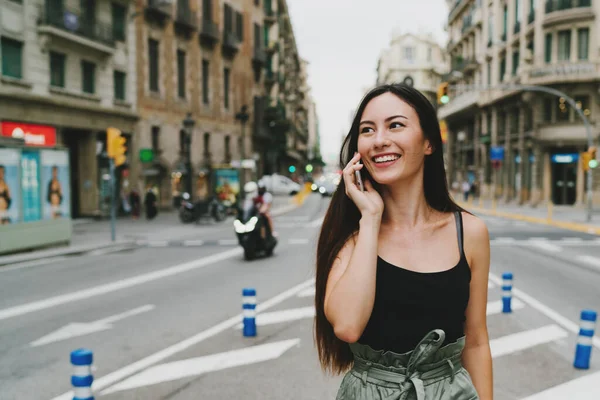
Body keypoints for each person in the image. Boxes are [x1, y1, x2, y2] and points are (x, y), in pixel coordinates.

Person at [314, 83, 492, 400]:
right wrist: (370, 218)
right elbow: (347, 328)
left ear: (428, 143)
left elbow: (476, 340)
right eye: (367, 130)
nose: (380, 140)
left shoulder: (471, 232)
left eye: (395, 125)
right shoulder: (351, 236)